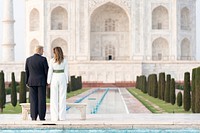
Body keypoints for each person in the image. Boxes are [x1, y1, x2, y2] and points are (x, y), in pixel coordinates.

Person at [25, 45, 49, 121]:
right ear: (40, 50)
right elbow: (46, 71)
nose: (43, 51)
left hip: (31, 82)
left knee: (33, 100)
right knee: (41, 100)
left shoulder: (28, 59)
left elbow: (27, 72)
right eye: (43, 50)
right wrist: (47, 81)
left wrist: (26, 82)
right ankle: (42, 117)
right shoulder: (43, 59)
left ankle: (33, 116)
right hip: (41, 82)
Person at [47, 47, 68, 121]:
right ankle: (62, 117)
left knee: (54, 98)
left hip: (54, 78)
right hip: (62, 77)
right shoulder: (64, 61)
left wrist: (48, 81)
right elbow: (66, 72)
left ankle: (54, 117)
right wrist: (67, 81)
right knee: (62, 98)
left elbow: (50, 71)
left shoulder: (52, 61)